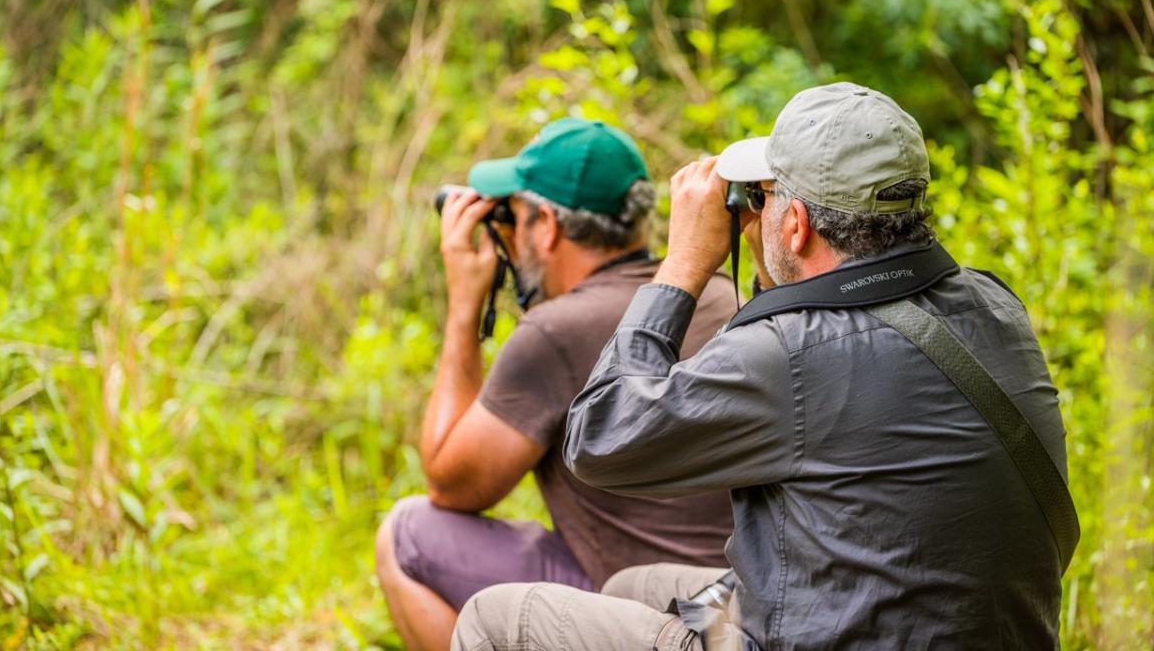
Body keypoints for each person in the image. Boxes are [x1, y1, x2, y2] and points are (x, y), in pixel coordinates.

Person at [453, 83, 1072, 650]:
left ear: (797, 225)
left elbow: (600, 439)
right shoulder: (994, 304)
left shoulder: (793, 353)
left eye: (765, 198)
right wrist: (768, 258)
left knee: (494, 617)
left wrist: (684, 266)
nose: (754, 210)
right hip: (929, 624)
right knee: (631, 586)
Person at [376, 117, 736, 650]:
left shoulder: (555, 331)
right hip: (729, 601)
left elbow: (453, 485)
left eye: (515, 216)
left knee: (406, 532)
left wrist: (463, 306)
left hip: (633, 611)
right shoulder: (720, 293)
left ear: (545, 225)